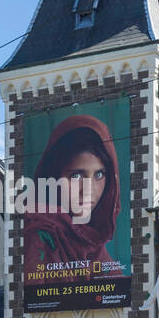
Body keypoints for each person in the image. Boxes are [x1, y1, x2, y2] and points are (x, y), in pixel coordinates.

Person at [22, 115, 122, 278]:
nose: (88, 190)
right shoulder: (36, 238)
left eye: (99, 174)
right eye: (76, 176)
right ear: (52, 178)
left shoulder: (94, 244)